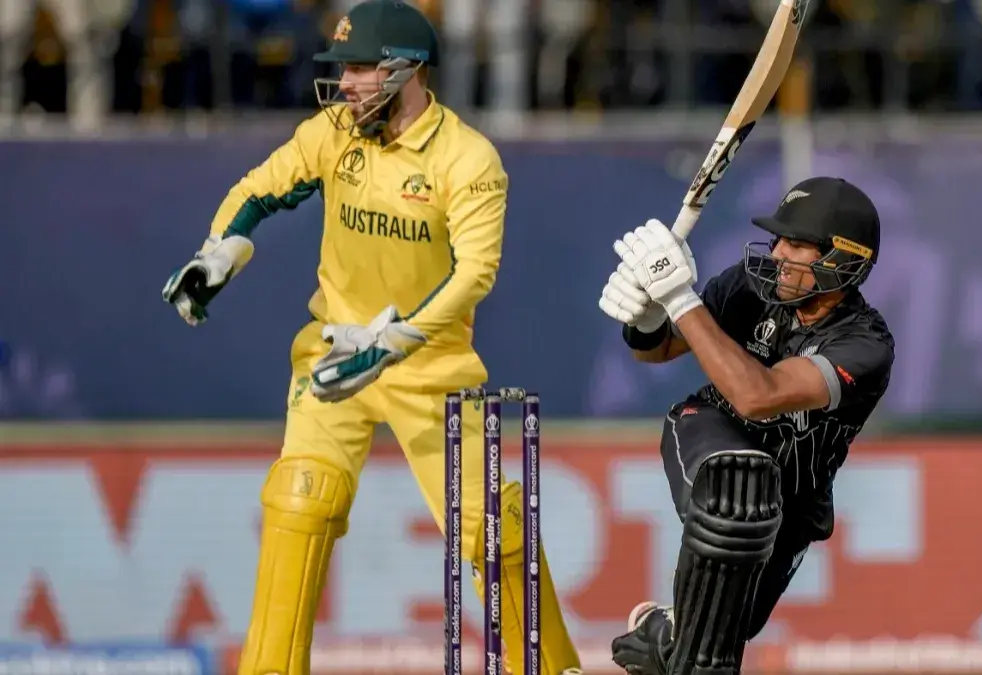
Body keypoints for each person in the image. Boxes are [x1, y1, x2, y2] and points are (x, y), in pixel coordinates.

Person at [160, 2, 582, 674]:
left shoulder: (468, 159)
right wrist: (219, 251)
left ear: (407, 70)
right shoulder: (335, 131)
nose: (345, 83)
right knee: (301, 497)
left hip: (430, 365)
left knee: (489, 529)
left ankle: (556, 667)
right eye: (342, 69)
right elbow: (260, 189)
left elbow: (475, 273)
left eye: (359, 69)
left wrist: (395, 341)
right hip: (333, 352)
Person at [597, 177, 895, 675]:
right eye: (777, 238)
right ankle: (674, 637)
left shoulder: (864, 346)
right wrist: (649, 315)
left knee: (707, 653)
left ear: (842, 259)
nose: (777, 252)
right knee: (739, 485)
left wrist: (679, 297)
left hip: (793, 503)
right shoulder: (752, 286)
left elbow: (760, 396)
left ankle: (661, 638)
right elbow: (658, 349)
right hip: (710, 432)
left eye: (795, 243)